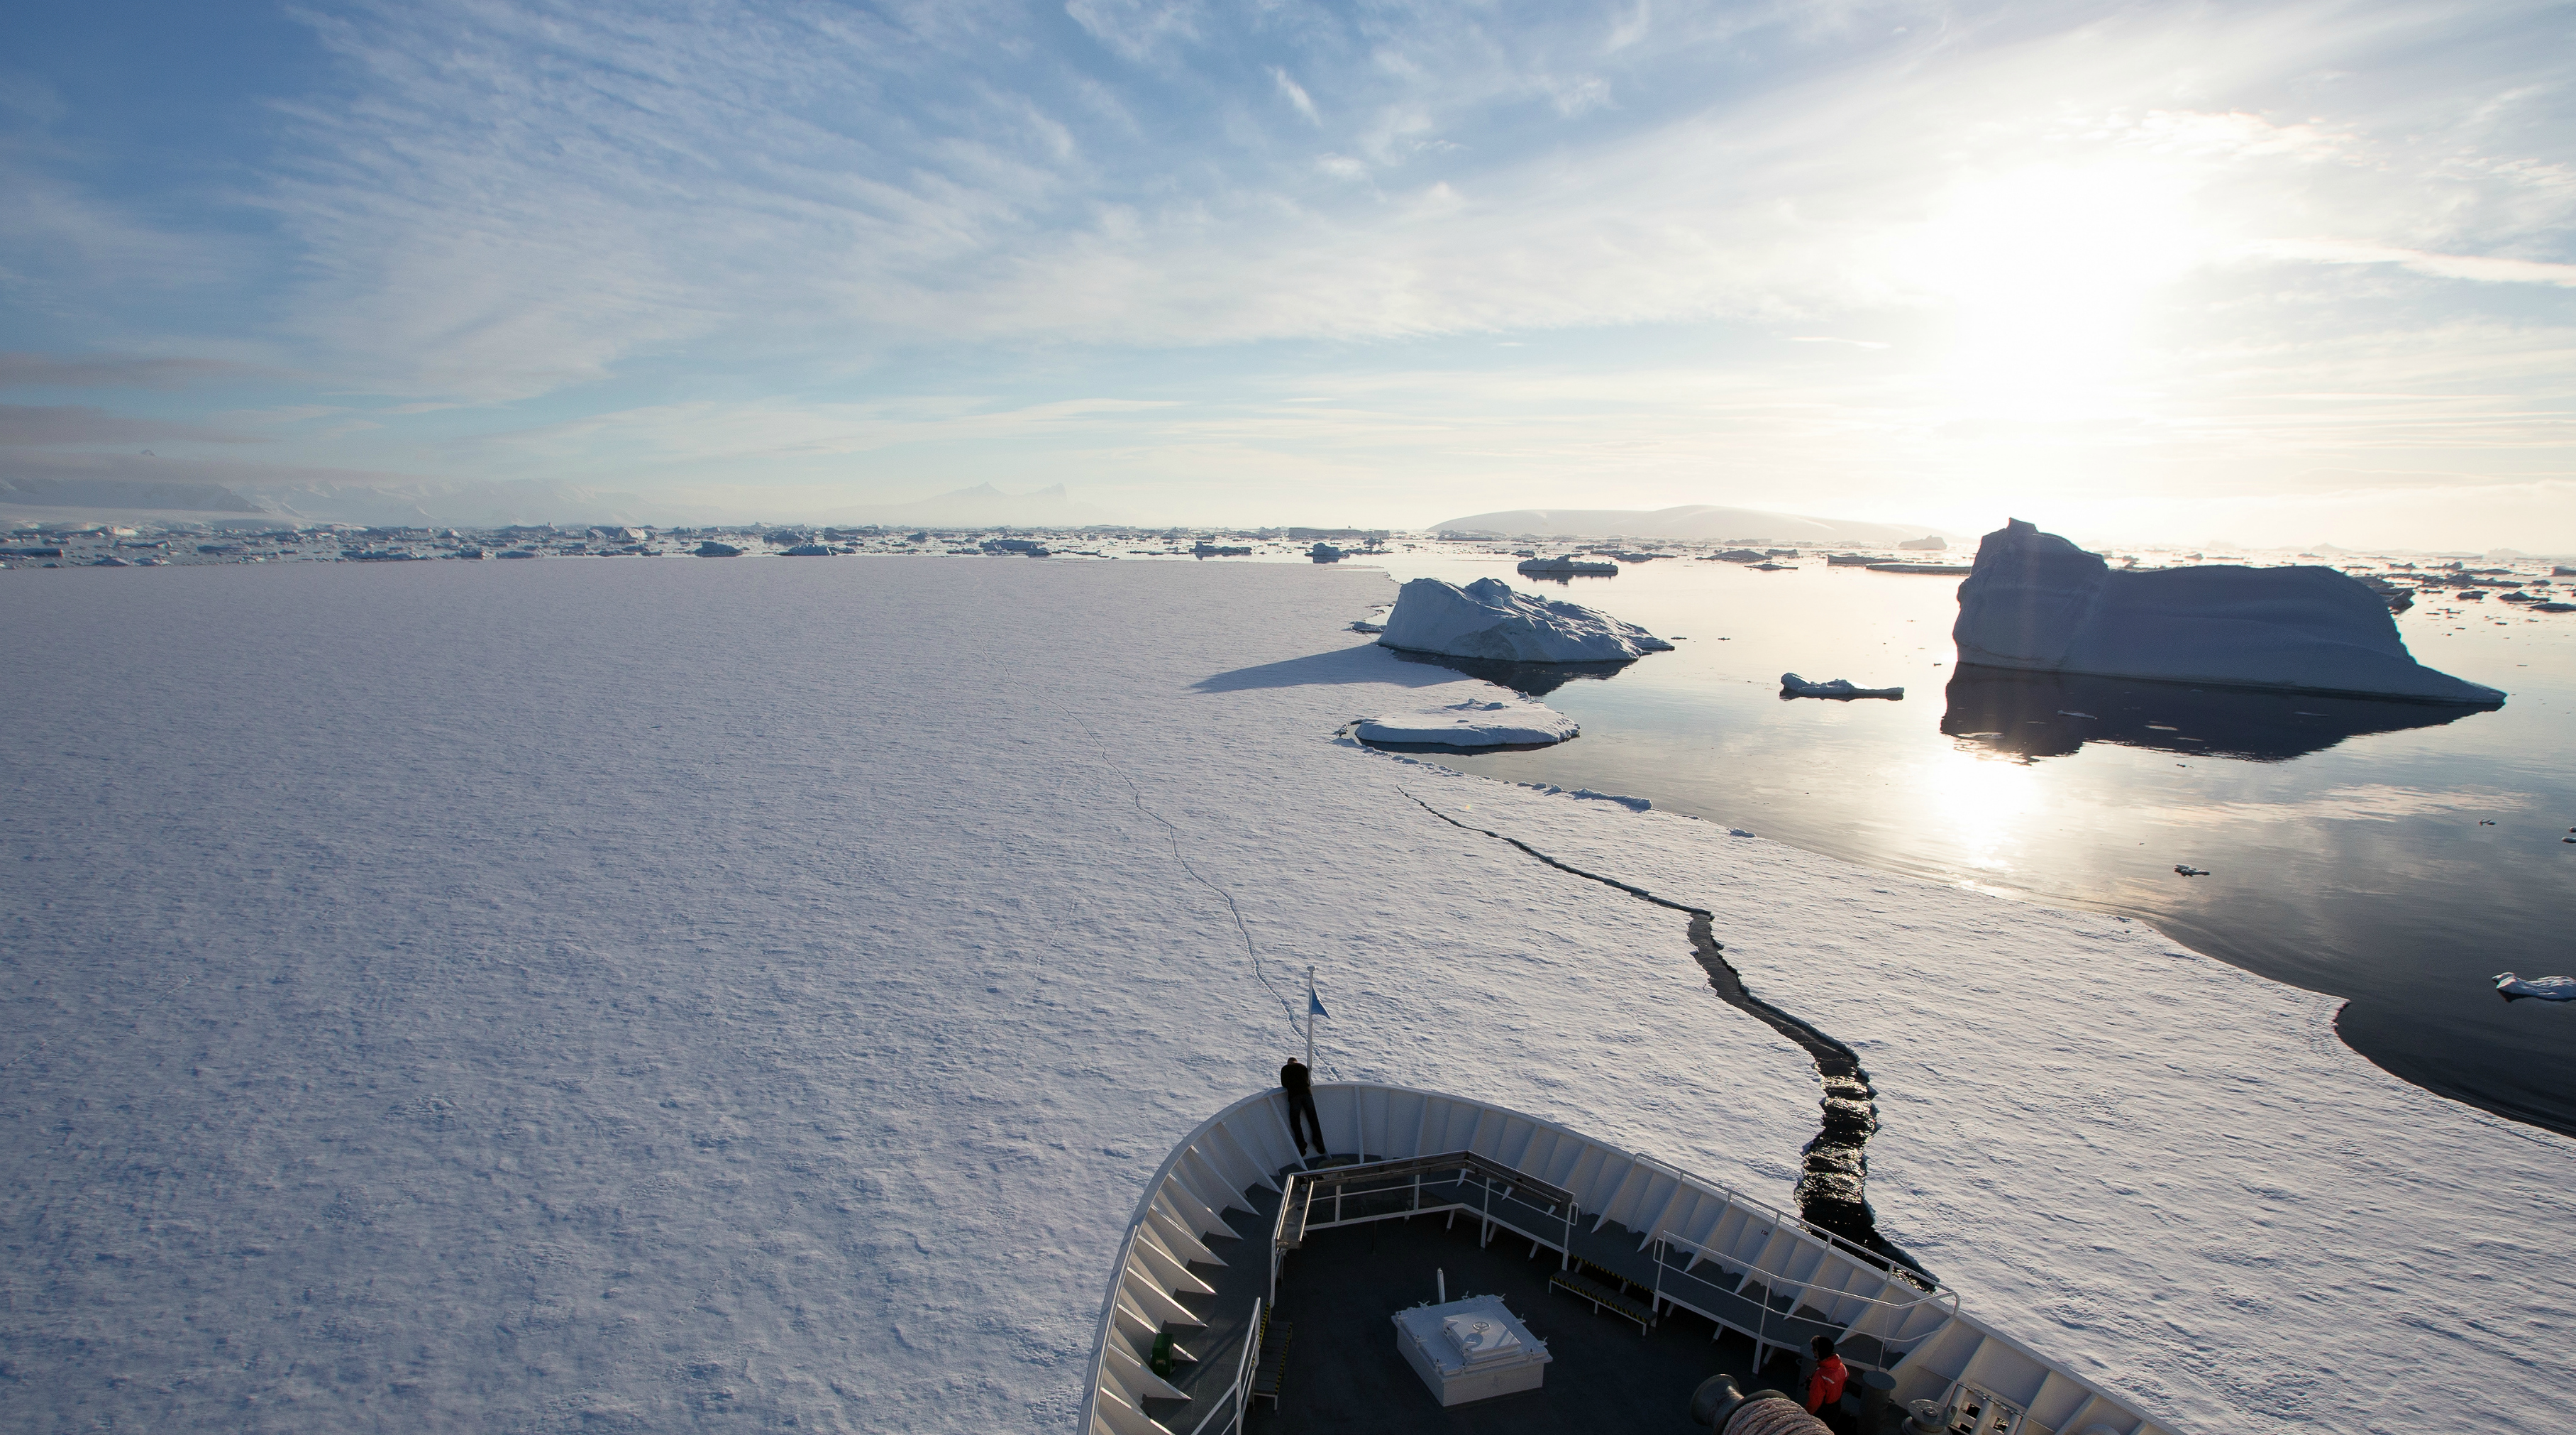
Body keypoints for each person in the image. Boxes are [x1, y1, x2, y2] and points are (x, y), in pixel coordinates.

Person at [1280, 1057, 1325, 1157]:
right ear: (1296, 1061)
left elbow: (1284, 1084)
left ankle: (1301, 1144)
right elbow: (1308, 1080)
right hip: (1307, 1094)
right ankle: (1319, 1143)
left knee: (1295, 1120)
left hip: (1295, 1096)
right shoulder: (1302, 1067)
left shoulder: (1285, 1069)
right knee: (1313, 1119)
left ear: (1289, 1062)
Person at [1803, 1334, 1848, 1429]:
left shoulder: (1820, 1376)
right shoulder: (1842, 1367)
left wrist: (1805, 1416)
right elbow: (1843, 1386)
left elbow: (1814, 1403)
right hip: (1836, 1408)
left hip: (1823, 1412)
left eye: (1814, 1349)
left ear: (1820, 1352)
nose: (1812, 1350)